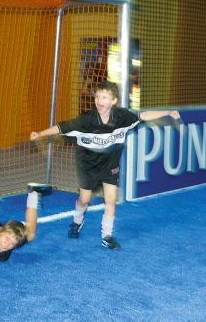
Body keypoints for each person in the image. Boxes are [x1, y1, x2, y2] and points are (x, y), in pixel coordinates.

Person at [30, 80, 180, 250]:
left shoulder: (123, 117)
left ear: (114, 101)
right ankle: (76, 222)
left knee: (110, 200)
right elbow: (62, 127)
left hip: (109, 165)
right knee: (84, 199)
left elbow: (143, 115)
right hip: (87, 165)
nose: (100, 101)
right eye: (98, 97)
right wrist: (40, 133)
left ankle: (107, 236)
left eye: (105, 97)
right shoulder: (86, 120)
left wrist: (168, 112)